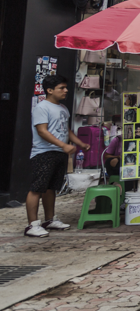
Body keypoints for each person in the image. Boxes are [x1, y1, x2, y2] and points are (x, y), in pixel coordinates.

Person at [25, 75, 90, 237]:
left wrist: (80, 143)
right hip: (43, 152)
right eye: (62, 88)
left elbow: (66, 130)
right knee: (37, 188)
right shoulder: (42, 107)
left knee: (51, 188)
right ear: (49, 90)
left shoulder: (63, 108)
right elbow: (42, 131)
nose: (66, 90)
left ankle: (49, 219)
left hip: (60, 153)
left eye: (65, 87)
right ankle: (32, 224)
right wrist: (63, 145)